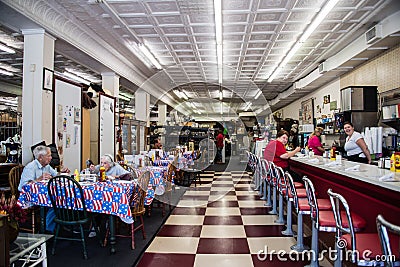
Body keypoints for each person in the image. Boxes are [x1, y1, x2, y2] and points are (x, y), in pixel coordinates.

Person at [18, 145, 70, 233]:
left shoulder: (47, 166)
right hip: (29, 197)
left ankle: (54, 226)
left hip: (43, 195)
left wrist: (62, 172)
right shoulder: (31, 167)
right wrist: (39, 179)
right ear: (41, 157)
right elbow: (24, 186)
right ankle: (48, 229)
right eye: (49, 156)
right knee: (55, 202)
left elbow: (56, 175)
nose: (51, 158)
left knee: (60, 199)